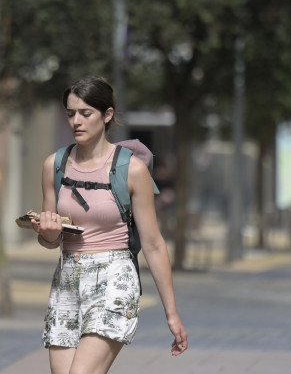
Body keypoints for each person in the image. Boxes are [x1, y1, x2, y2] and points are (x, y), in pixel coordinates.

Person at [32, 76, 187, 374]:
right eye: (70, 113)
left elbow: (153, 244)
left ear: (107, 115)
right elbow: (49, 238)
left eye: (85, 113)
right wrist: (48, 234)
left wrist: (172, 314)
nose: (76, 121)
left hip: (114, 278)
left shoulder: (132, 169)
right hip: (67, 279)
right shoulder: (54, 165)